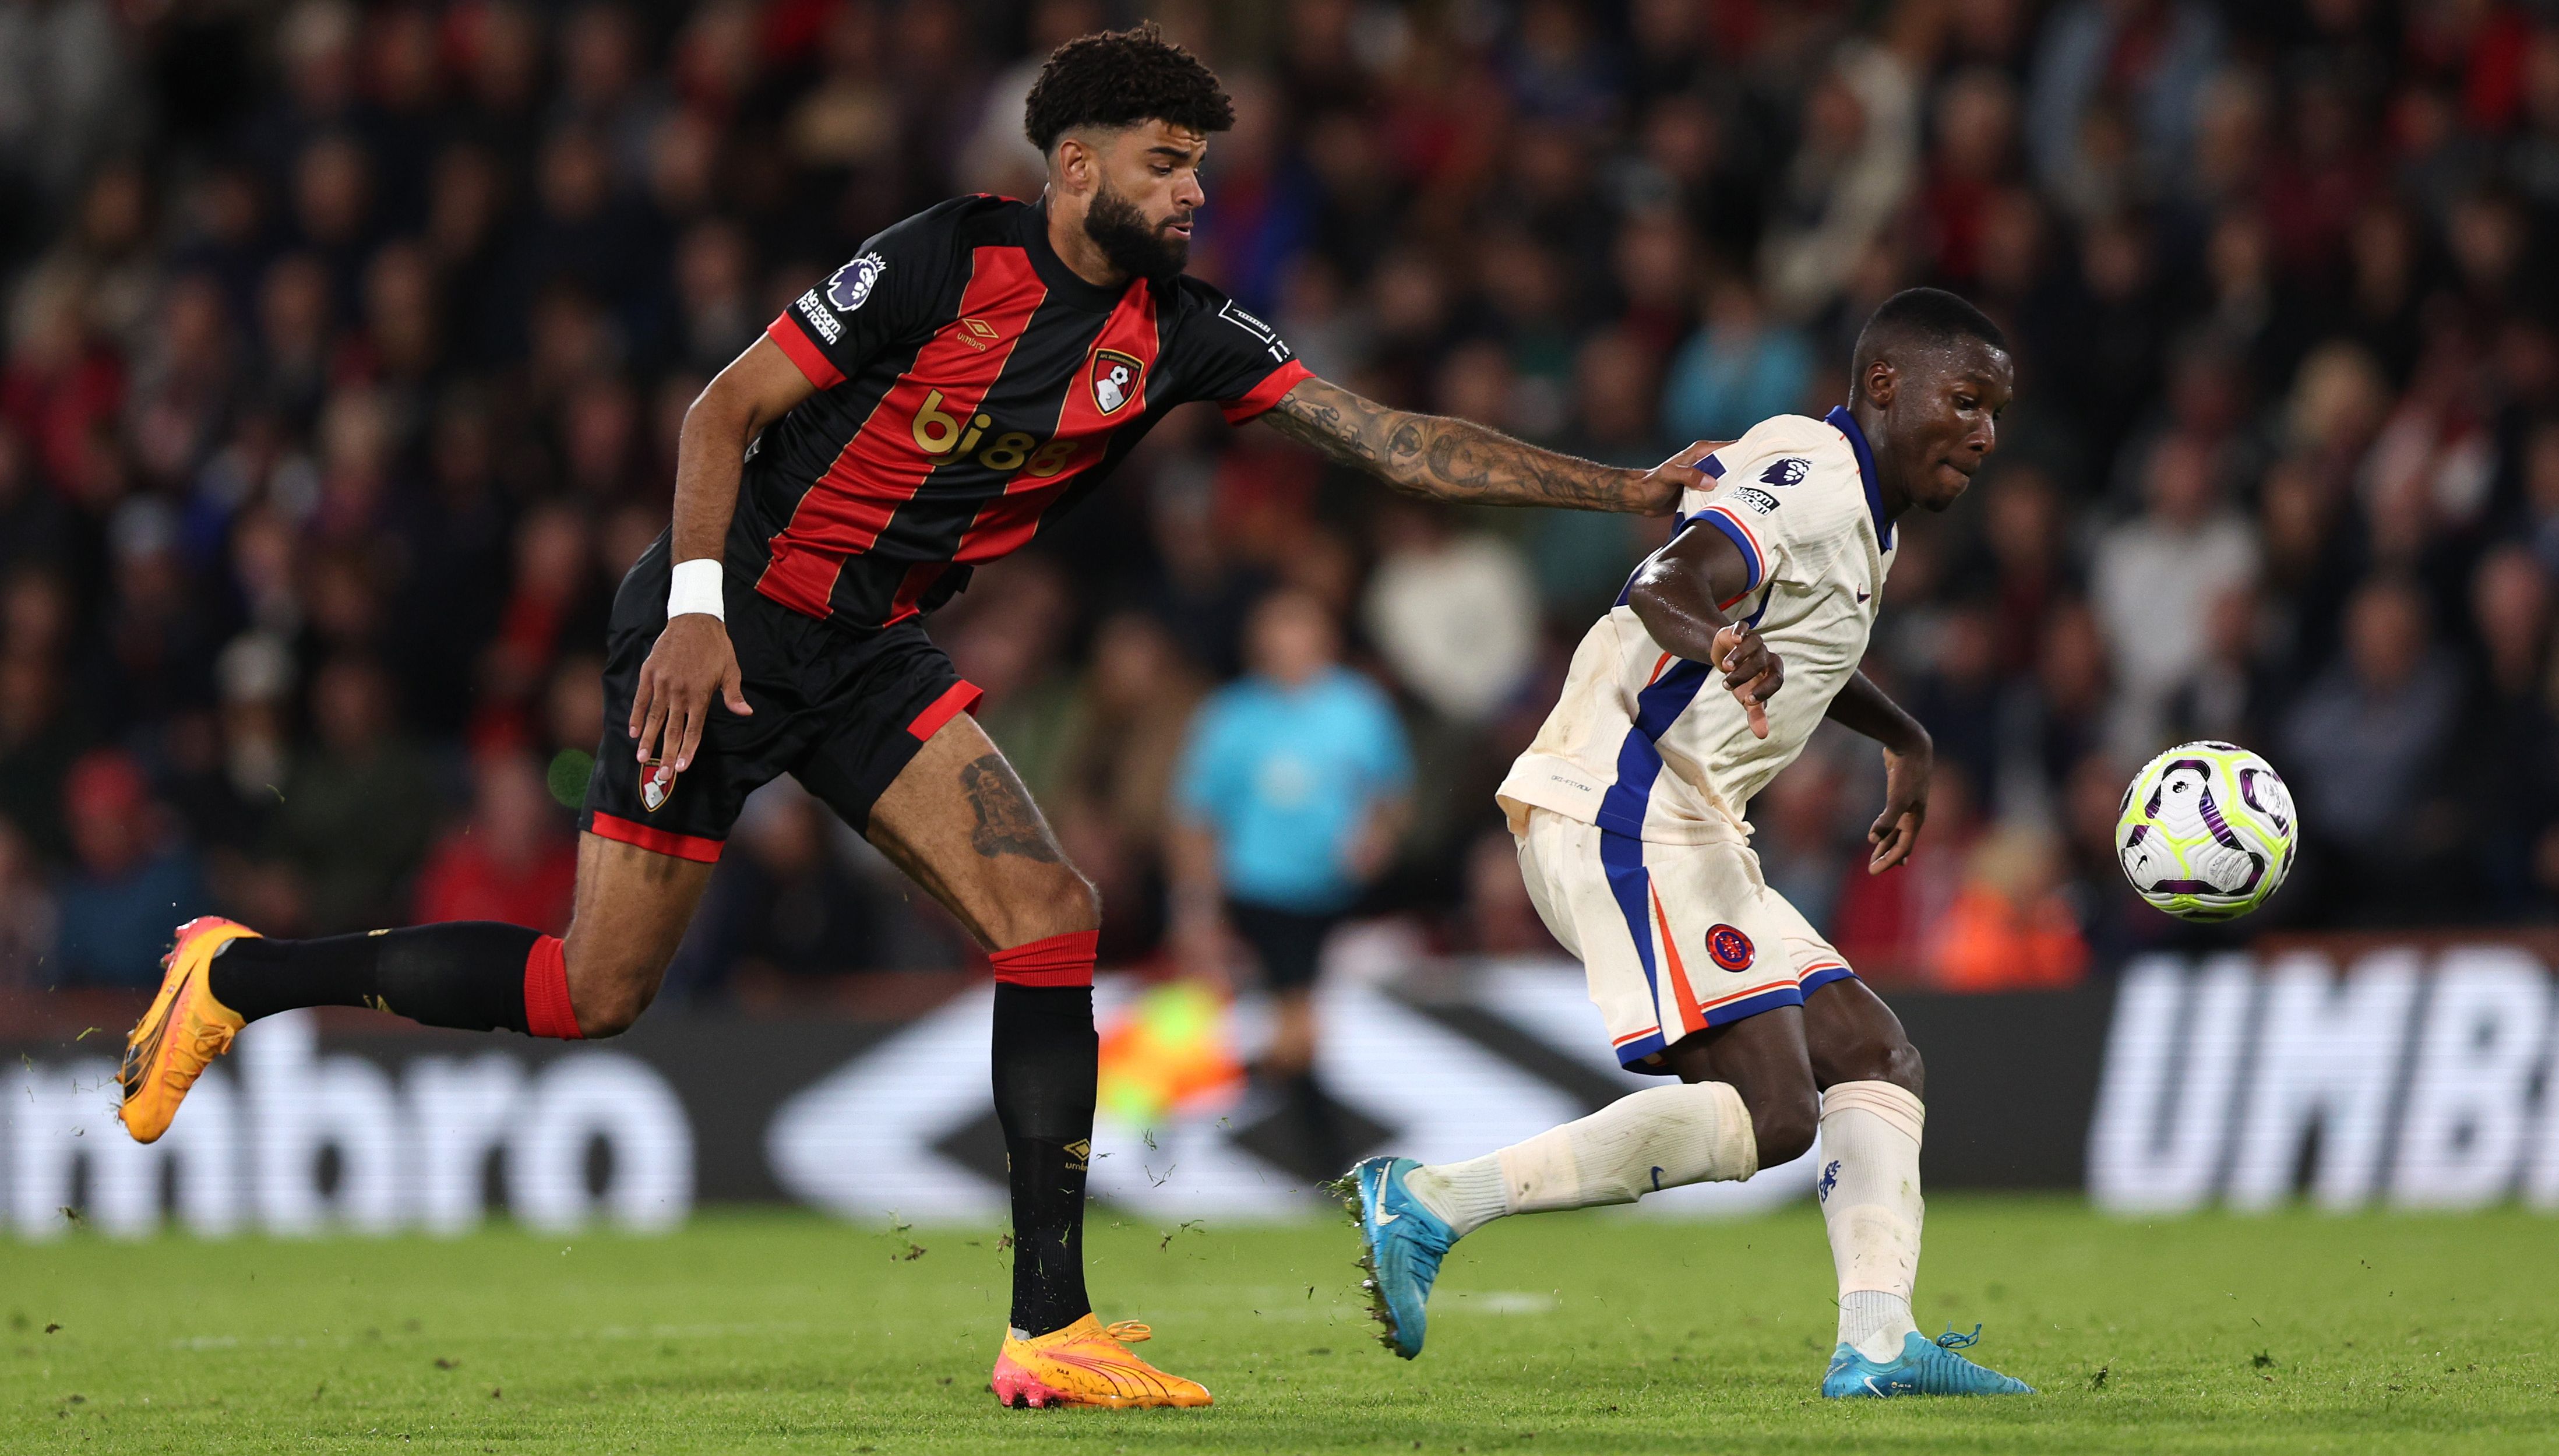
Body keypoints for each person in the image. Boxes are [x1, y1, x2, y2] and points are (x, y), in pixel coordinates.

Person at [114, 25, 1717, 1413]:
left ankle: (1049, 1321)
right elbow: (720, 409)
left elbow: (1388, 439)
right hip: (722, 631)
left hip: (865, 656)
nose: (1194, 194)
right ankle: (235, 974)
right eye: (1167, 164)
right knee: (590, 989)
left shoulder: (1187, 334)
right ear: (1073, 166)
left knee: (1050, 910)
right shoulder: (944, 257)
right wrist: (686, 616)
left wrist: (1622, 485)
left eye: (1202, 169)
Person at [1342, 288, 2037, 1399]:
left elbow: (1796, 641)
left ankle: (1874, 1340)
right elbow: (1664, 580)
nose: (1983, 435)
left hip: (1692, 820)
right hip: (1627, 804)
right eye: (1963, 401)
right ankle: (1428, 1200)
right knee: (1771, 1113)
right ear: (1882, 387)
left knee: (1873, 1054)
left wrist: (1901, 736)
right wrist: (1715, 635)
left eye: (1994, 413)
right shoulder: (1807, 470)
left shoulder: (1865, 507)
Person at [1169, 587, 1412, 1180]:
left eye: (1301, 630)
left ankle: (1214, 1090)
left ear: (1325, 639)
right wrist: (1197, 908)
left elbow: (1393, 796)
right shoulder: (1231, 716)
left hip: (1340, 894)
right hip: (1262, 895)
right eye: (1278, 632)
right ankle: (1326, 1166)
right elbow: (1196, 818)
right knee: (1299, 1028)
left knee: (1301, 1033)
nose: (1289, 646)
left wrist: (1376, 841)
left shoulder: (1360, 708)